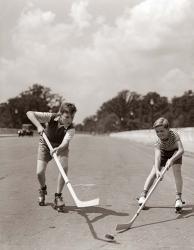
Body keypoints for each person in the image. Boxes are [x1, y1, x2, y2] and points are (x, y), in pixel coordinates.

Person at [26, 102, 77, 208]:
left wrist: (57, 149)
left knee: (64, 169)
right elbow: (29, 113)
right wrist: (39, 126)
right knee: (39, 172)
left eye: (72, 117)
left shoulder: (71, 128)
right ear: (60, 114)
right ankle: (42, 189)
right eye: (67, 117)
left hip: (60, 147)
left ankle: (58, 197)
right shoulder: (51, 117)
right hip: (45, 144)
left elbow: (65, 143)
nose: (70, 120)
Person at [138, 117, 184, 210]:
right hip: (163, 152)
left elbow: (181, 150)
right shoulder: (158, 142)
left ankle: (178, 198)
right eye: (157, 132)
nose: (159, 134)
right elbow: (157, 157)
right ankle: (143, 195)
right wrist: (158, 171)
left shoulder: (174, 135)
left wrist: (171, 160)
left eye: (162, 131)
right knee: (154, 172)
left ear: (168, 129)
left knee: (177, 171)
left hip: (175, 152)